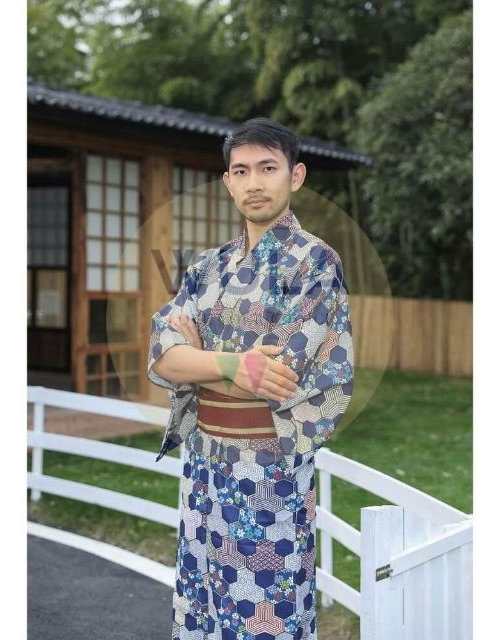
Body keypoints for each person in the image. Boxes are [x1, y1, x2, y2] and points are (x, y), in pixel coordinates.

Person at [147, 117, 354, 640]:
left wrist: (200, 359)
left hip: (267, 467)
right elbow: (162, 356)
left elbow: (281, 375)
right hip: (204, 463)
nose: (254, 182)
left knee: (267, 612)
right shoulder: (207, 267)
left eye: (268, 167)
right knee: (200, 606)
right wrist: (234, 365)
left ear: (295, 176)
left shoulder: (314, 263)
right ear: (227, 182)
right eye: (241, 171)